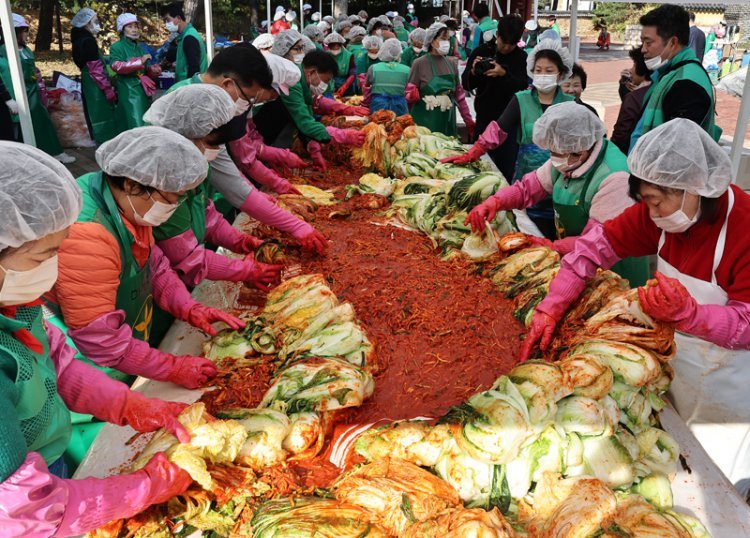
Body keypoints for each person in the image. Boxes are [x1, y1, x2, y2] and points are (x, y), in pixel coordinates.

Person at [520, 118, 750, 497]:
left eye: (658, 200)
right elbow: (594, 249)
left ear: (695, 190)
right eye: (646, 200)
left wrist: (691, 316)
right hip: (674, 368)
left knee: (716, 489)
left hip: (726, 389)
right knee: (668, 469)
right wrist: (551, 307)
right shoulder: (657, 214)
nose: (652, 211)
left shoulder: (742, 226)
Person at [0, 141, 194, 534]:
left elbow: (59, 364)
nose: (53, 267)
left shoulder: (17, 303)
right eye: (42, 257)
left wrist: (130, 405)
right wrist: (143, 488)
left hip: (43, 460)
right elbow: (22, 512)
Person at [45, 127, 241, 463]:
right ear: (134, 184)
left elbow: (155, 266)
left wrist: (189, 308)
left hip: (121, 351)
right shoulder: (87, 234)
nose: (177, 205)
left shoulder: (127, 204)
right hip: (89, 366)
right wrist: (174, 368)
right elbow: (103, 343)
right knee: (105, 453)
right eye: (173, 197)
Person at [162, 45, 330, 255]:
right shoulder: (187, 107)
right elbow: (237, 173)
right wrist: (294, 224)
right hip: (170, 234)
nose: (251, 104)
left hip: (195, 215)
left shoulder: (216, 109)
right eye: (251, 97)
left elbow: (214, 194)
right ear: (229, 84)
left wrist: (237, 240)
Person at [467, 101, 649, 285]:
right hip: (578, 259)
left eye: (562, 152)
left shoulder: (615, 177)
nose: (557, 158)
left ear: (583, 146)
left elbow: (597, 242)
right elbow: (527, 188)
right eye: (553, 151)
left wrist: (553, 246)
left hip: (614, 270)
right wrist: (495, 202)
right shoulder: (567, 158)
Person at [145, 85, 283, 289]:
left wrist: (239, 240)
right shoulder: (161, 177)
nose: (216, 151)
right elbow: (184, 254)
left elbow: (206, 213)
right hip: (155, 284)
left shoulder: (194, 165)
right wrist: (244, 270)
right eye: (212, 143)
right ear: (187, 133)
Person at [442, 39, 574, 239]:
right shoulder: (522, 100)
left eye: (549, 71)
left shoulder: (572, 105)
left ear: (561, 73)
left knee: (562, 235)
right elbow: (497, 131)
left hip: (564, 182)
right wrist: (473, 153)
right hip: (527, 181)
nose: (543, 75)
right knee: (527, 233)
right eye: (538, 70)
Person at [255, 49, 365, 168]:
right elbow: (304, 122)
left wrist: (313, 149)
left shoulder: (302, 86)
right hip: (263, 131)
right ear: (312, 72)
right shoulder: (293, 83)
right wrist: (344, 136)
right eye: (326, 80)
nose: (325, 85)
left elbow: (306, 115)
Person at [630, 4, 718, 152]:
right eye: (642, 42)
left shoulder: (687, 84)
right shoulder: (669, 72)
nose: (643, 49)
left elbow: (678, 152)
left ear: (672, 42)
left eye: (648, 42)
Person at [0, 14, 74, 163]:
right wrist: (9, 99)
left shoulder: (26, 50)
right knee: (22, 127)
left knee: (43, 122)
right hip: (19, 93)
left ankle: (53, 153)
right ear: (14, 32)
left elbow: (34, 71)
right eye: (24, 31)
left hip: (32, 91)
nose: (27, 35)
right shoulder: (4, 51)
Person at [463, 15, 528, 181]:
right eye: (503, 41)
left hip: (510, 125)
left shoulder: (521, 58)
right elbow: (466, 84)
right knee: (478, 168)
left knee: (505, 172)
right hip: (484, 120)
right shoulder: (483, 51)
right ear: (497, 34)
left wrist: (503, 74)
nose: (505, 47)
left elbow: (522, 86)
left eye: (511, 44)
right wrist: (473, 72)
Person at [408, 23, 474, 137]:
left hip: (447, 124)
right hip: (423, 127)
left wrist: (468, 120)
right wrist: (410, 97)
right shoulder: (419, 63)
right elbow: (408, 96)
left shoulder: (452, 63)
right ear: (432, 41)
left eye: (448, 39)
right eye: (443, 39)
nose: (447, 43)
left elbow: (460, 96)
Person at [70, 8, 118, 144]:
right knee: (101, 113)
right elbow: (95, 69)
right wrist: (107, 88)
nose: (98, 24)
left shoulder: (77, 40)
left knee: (92, 113)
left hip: (87, 80)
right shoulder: (88, 41)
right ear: (86, 23)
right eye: (95, 21)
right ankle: (107, 143)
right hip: (95, 83)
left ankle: (100, 141)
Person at [110, 13, 161, 132]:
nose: (134, 30)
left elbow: (145, 68)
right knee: (135, 122)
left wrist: (152, 69)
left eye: (136, 26)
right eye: (130, 27)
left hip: (143, 89)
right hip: (128, 90)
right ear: (122, 29)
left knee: (145, 121)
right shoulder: (117, 47)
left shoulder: (139, 47)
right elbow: (116, 66)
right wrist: (140, 61)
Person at [612, 47, 652, 154]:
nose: (630, 70)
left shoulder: (634, 97)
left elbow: (620, 134)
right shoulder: (658, 88)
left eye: (634, 64)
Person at [161, 3, 208, 82]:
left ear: (178, 18)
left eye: (168, 20)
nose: (166, 24)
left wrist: (187, 89)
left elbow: (194, 68)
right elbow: (171, 57)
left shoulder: (189, 37)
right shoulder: (184, 35)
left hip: (191, 86)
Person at [366, 38, 413, 115]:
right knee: (399, 125)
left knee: (377, 126)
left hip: (378, 106)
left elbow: (367, 86)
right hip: (400, 107)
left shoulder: (373, 68)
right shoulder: (407, 70)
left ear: (383, 50)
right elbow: (409, 89)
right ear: (399, 52)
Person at [325, 33, 355, 97]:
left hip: (346, 86)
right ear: (329, 46)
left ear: (341, 45)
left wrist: (345, 86)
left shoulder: (348, 56)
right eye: (333, 47)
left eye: (337, 46)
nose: (335, 48)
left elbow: (353, 72)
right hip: (329, 85)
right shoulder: (326, 55)